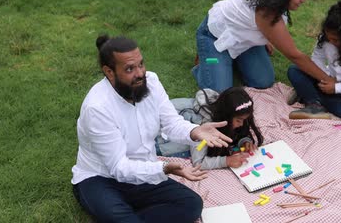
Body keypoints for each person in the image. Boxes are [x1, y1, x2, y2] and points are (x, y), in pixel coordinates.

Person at [71, 35, 233, 223]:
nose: (140, 74)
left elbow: (171, 123)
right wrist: (163, 168)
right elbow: (119, 168)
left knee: (192, 204)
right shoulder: (97, 108)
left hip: (144, 171)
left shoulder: (151, 82)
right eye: (130, 69)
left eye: (141, 64)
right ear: (109, 72)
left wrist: (194, 131)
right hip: (101, 179)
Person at [193, 0, 334, 93]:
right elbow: (294, 55)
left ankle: (228, 61)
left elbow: (258, 24)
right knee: (220, 91)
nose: (303, 0)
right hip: (216, 39)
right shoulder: (267, 11)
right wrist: (329, 80)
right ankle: (206, 60)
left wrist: (265, 38)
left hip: (243, 40)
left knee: (263, 81)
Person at [287, 1, 341, 120]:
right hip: (328, 78)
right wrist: (326, 78)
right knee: (294, 70)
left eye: (336, 40)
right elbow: (316, 59)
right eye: (329, 38)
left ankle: (309, 97)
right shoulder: (325, 39)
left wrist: (337, 87)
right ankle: (314, 104)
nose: (331, 42)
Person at [190, 87, 264, 170]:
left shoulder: (235, 117)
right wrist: (227, 161)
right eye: (238, 120)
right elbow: (198, 163)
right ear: (226, 117)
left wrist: (244, 141)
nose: (242, 124)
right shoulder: (205, 130)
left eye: (245, 120)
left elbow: (239, 133)